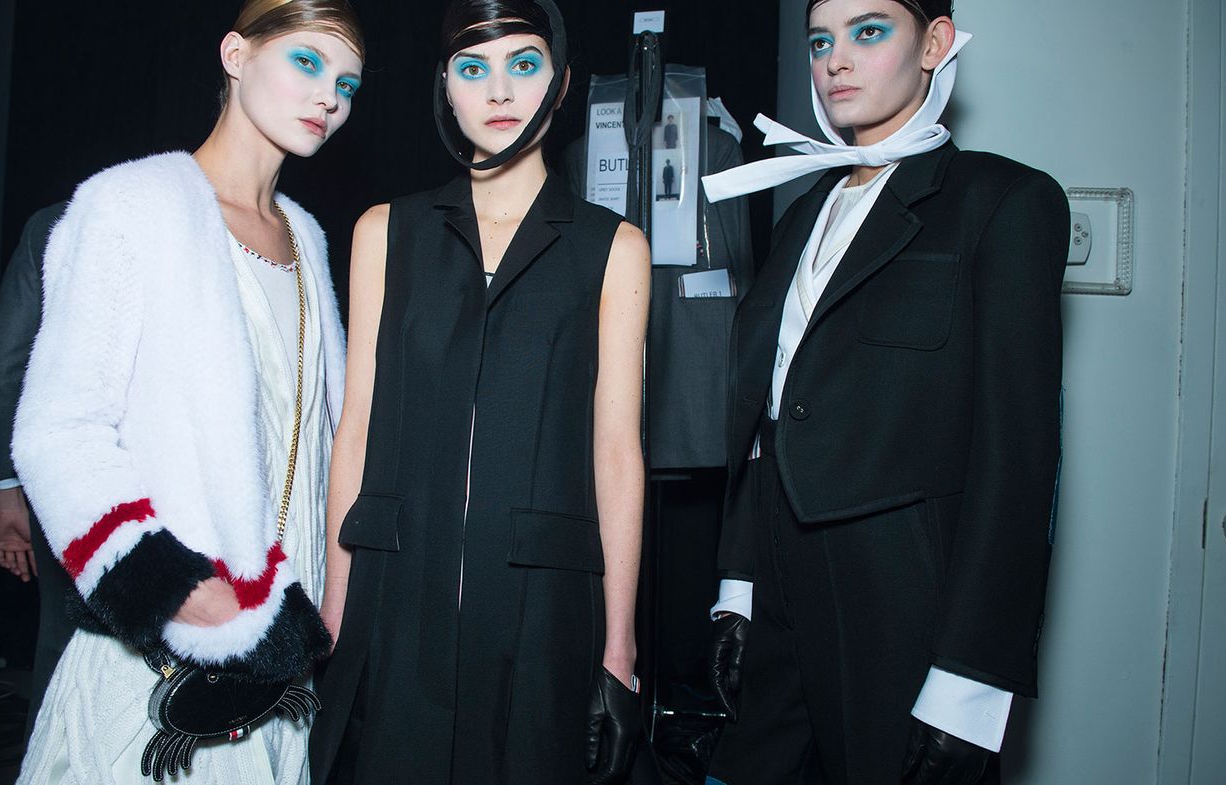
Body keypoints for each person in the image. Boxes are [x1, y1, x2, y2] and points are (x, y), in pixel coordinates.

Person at [699, 1, 1067, 783]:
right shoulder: (799, 214)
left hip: (904, 608)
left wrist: (972, 681)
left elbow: (1018, 461)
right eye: (821, 41)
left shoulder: (1002, 202)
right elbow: (765, 419)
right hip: (777, 598)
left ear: (934, 44)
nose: (836, 61)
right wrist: (738, 587)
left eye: (869, 32)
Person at [10, 1, 364, 781]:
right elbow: (58, 430)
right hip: (164, 656)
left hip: (280, 659)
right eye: (307, 62)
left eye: (348, 83)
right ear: (236, 54)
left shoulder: (305, 234)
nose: (329, 97)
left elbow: (309, 438)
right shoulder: (132, 206)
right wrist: (179, 594)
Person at [308, 1, 651, 783]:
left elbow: (617, 453)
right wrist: (336, 605)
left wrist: (620, 647)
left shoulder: (614, 247)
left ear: (560, 84)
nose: (499, 92)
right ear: (446, 90)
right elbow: (354, 425)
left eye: (523, 65)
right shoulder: (383, 231)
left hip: (544, 611)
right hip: (394, 598)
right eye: (474, 69)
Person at [0, 201, 77, 740]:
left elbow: (2, 368)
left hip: (71, 482)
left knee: (64, 649)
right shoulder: (233, 223)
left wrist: (5, 493)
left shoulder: (59, 222)